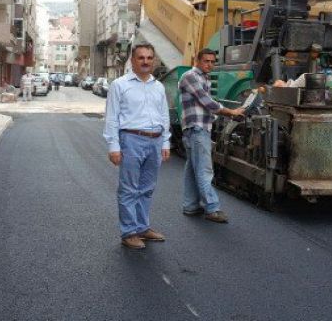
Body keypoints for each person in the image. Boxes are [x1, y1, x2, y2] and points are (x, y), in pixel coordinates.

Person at [103, 44, 171, 250]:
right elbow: (112, 117)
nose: (145, 61)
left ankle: (142, 227)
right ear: (132, 60)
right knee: (129, 189)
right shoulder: (120, 85)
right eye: (141, 58)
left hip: (155, 141)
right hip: (131, 139)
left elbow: (164, 115)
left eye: (150, 58)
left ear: (154, 61)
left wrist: (166, 141)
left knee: (147, 188)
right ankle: (129, 232)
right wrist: (113, 146)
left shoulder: (158, 86)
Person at [179, 49, 245, 223]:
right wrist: (231, 112)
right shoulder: (190, 76)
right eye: (206, 61)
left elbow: (207, 106)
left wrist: (224, 114)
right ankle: (212, 208)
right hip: (196, 128)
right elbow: (207, 102)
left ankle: (191, 205)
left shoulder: (204, 78)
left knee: (193, 168)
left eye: (212, 61)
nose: (209, 64)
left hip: (200, 128)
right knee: (204, 169)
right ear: (197, 60)